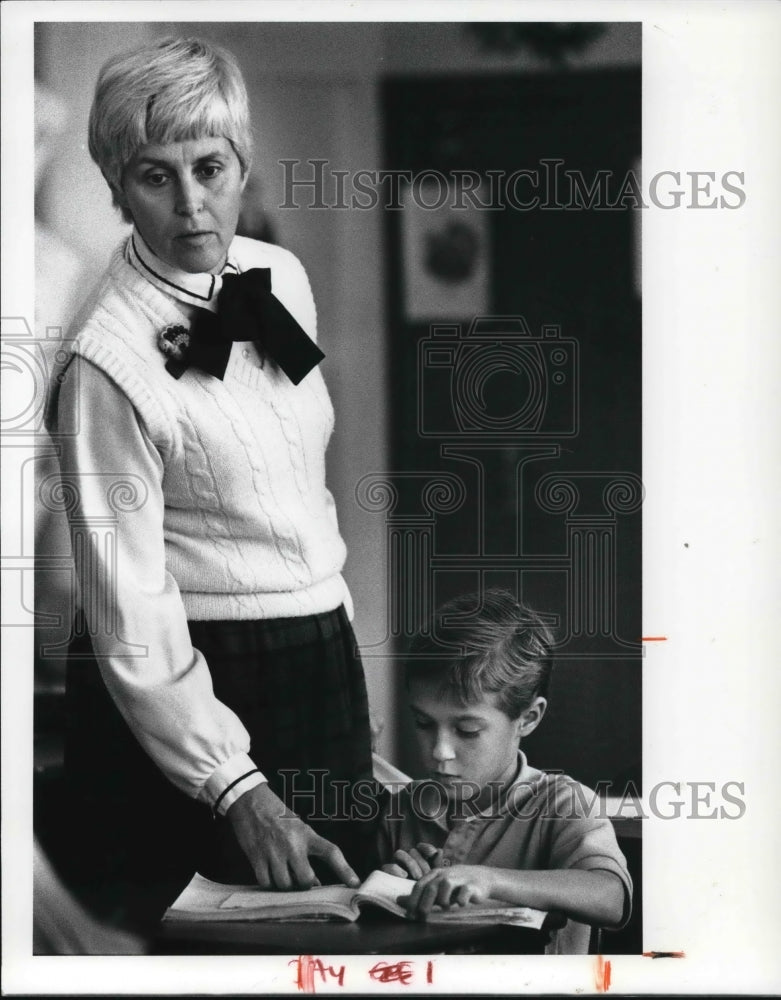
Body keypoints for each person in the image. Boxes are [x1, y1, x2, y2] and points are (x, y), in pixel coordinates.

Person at [44, 36, 376, 929]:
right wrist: (235, 786)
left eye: (210, 166)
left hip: (316, 660)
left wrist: (344, 688)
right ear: (117, 186)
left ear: (243, 165)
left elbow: (301, 497)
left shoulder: (282, 279)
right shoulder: (105, 363)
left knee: (348, 938)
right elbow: (127, 612)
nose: (193, 204)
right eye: (155, 176)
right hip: (185, 690)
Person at [377, 589, 632, 954]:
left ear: (528, 718)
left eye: (467, 730)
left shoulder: (562, 802)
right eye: (423, 723)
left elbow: (611, 896)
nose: (439, 751)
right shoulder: (401, 809)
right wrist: (392, 884)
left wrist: (489, 880)